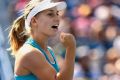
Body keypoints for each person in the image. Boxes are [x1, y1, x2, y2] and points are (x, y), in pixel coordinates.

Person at [8, 0, 76, 80]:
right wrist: (71, 48)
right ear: (34, 21)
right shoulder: (30, 53)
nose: (57, 18)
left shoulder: (49, 50)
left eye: (57, 14)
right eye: (50, 14)